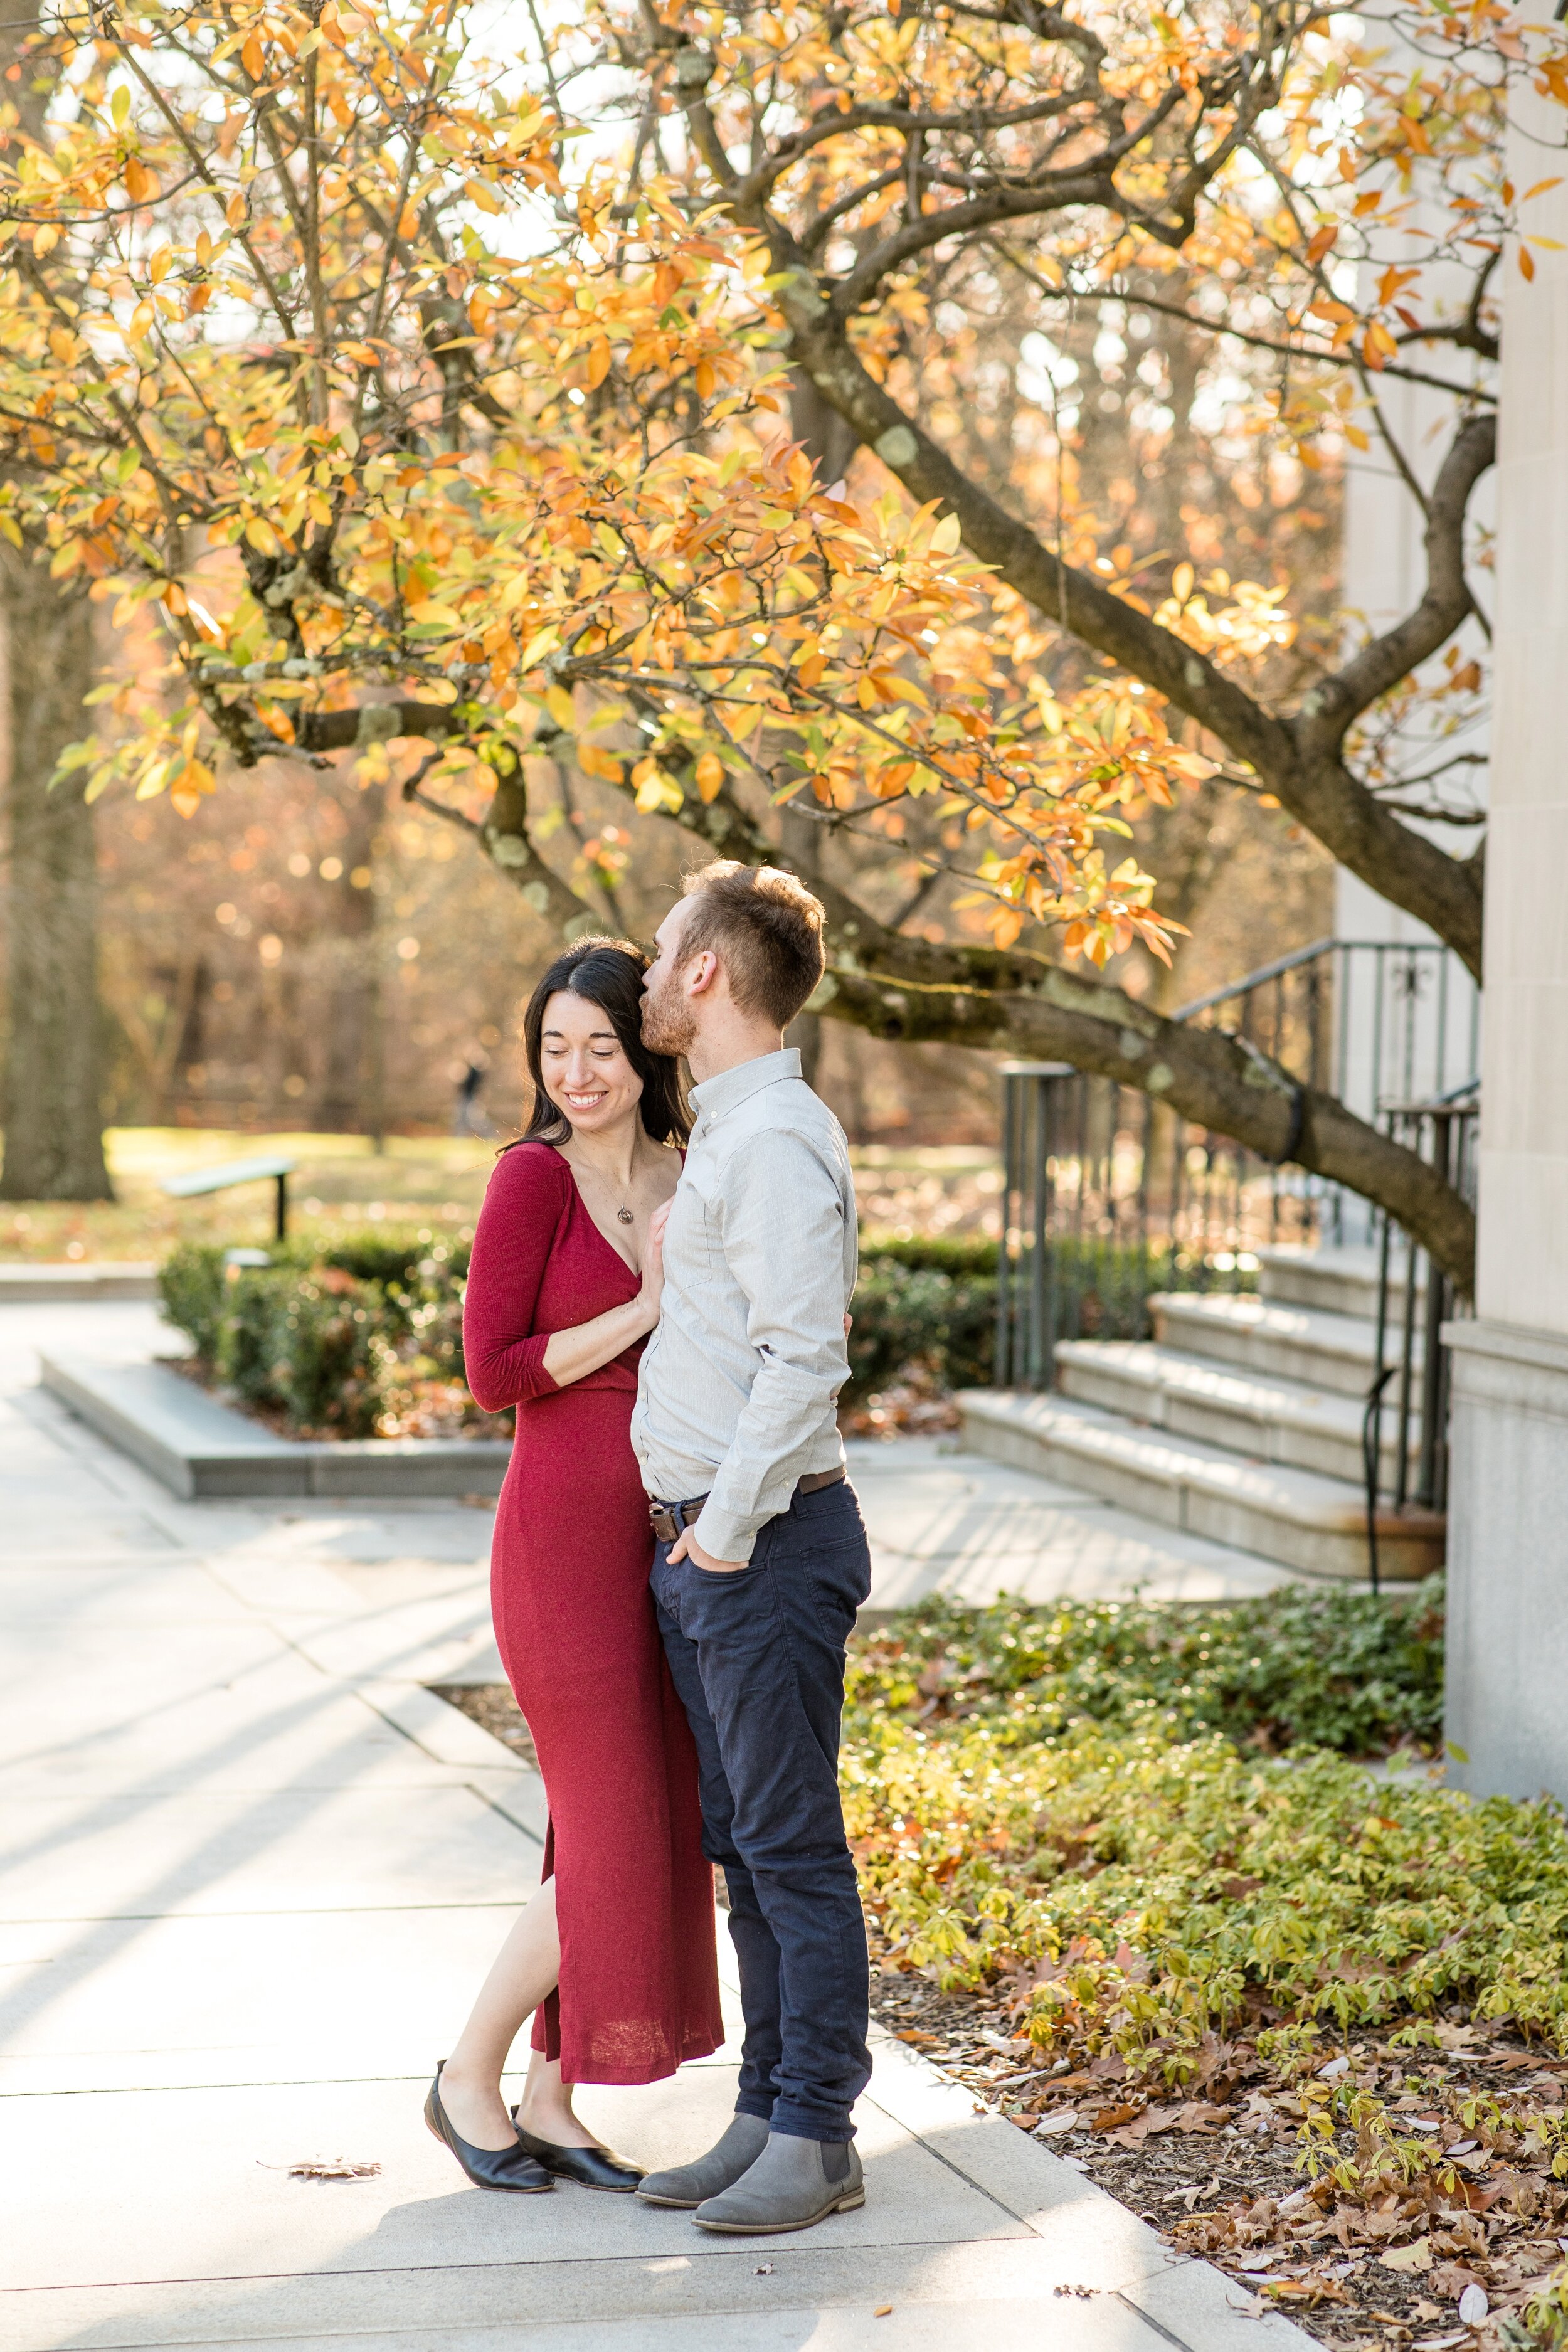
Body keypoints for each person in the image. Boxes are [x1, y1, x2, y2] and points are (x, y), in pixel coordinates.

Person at [426, 939, 723, 2194]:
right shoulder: (529, 1181)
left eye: (599, 1044)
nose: (577, 1069)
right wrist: (645, 1305)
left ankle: (552, 2098)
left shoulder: (686, 1168)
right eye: (555, 1048)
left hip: (669, 1538)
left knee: (640, 1823)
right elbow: (491, 1372)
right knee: (609, 1839)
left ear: (642, 1046)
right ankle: (462, 2079)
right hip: (559, 1546)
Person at [630, 861, 874, 2236]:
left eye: (666, 953)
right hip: (713, 1553)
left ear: (709, 973)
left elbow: (805, 1361)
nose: (651, 973)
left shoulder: (772, 1140)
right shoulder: (730, 1133)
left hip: (761, 1549)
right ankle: (765, 2108)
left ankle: (819, 2132)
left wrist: (718, 1536)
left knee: (789, 1846)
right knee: (744, 1842)